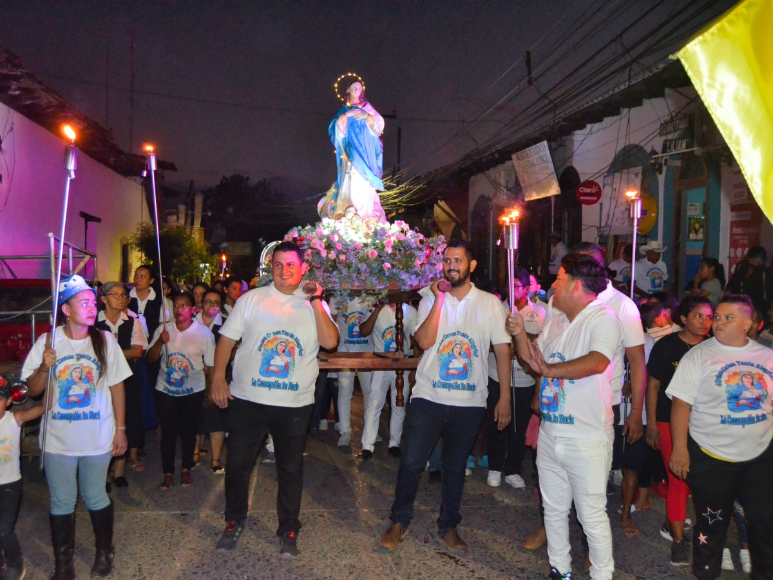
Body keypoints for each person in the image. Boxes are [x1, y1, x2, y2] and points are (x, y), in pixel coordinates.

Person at [379, 239, 512, 553]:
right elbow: (424, 341)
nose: (452, 265)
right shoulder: (430, 298)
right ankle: (399, 520)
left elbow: (503, 351)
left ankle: (448, 525)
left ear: (471, 265)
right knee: (411, 462)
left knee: (454, 468)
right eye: (447, 259)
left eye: (458, 260)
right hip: (428, 397)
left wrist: (504, 396)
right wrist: (440, 299)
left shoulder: (490, 303)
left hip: (469, 402)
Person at [211, 241, 339, 559]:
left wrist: (317, 299)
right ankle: (234, 520)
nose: (284, 271)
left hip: (294, 404)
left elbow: (330, 342)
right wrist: (217, 378)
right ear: (271, 268)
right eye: (278, 265)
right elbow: (227, 339)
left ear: (303, 268)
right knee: (238, 464)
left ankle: (289, 527)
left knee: (290, 468)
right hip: (248, 399)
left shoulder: (314, 304)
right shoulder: (252, 300)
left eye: (291, 265)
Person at [508, 254, 623, 580]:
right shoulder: (556, 319)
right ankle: (560, 570)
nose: (552, 285)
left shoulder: (603, 318)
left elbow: (597, 362)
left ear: (575, 284)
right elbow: (534, 361)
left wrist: (550, 370)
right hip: (550, 432)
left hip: (586, 437)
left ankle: (602, 575)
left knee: (591, 516)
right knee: (553, 510)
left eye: (558, 279)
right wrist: (519, 334)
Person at [22, 274, 132, 579]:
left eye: (92, 302)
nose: (90, 306)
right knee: (61, 499)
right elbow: (33, 391)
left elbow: (117, 387)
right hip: (58, 438)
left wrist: (120, 429)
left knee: (96, 495)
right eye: (83, 302)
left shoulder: (105, 340)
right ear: (66, 309)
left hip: (97, 435)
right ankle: (64, 563)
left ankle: (104, 551)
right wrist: (45, 366)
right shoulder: (47, 341)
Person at [668, 294, 773, 579]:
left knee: (764, 522)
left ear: (747, 323)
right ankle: (706, 573)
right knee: (710, 525)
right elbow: (681, 404)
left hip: (760, 458)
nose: (718, 323)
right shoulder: (699, 355)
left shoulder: (767, 356)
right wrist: (680, 448)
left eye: (729, 318)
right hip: (712, 456)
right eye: (717, 317)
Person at [645, 296, 713, 564]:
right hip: (667, 419)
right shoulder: (667, 346)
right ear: (683, 318)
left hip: (704, 422)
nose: (705, 322)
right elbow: (652, 386)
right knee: (678, 478)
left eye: (709, 317)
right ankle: (678, 541)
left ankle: (676, 524)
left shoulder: (713, 347)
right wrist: (650, 423)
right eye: (698, 316)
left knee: (701, 480)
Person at [147, 291, 215, 490]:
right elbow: (150, 359)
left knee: (188, 431)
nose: (179, 309)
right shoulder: (163, 329)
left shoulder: (203, 333)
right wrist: (160, 342)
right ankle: (168, 472)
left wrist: (211, 390)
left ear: (193, 309)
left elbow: (210, 365)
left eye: (184, 305)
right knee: (167, 432)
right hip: (165, 390)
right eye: (176, 305)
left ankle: (186, 468)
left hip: (192, 391)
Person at [486, 267, 545, 489]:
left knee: (519, 425)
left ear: (528, 289)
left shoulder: (539, 312)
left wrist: (522, 344)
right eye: (509, 286)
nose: (513, 290)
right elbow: (486, 339)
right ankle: (494, 467)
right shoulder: (496, 308)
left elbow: (541, 342)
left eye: (517, 286)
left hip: (525, 379)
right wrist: (499, 350)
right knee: (496, 422)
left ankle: (513, 468)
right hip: (497, 375)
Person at [96, 282, 148, 485]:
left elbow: (137, 351)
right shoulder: (94, 322)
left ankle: (118, 471)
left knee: (124, 420)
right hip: (100, 379)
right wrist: (119, 355)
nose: (120, 298)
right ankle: (103, 471)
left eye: (123, 294)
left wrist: (107, 354)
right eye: (114, 294)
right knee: (102, 422)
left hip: (127, 378)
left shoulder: (132, 322)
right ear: (104, 299)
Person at [318, 78, 386, 222]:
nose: (357, 89)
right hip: (350, 151)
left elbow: (379, 124)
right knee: (350, 179)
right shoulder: (343, 110)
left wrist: (367, 116)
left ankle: (364, 216)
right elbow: (334, 128)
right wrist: (346, 116)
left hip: (366, 152)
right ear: (348, 90)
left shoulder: (367, 107)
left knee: (363, 181)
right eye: (354, 87)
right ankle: (348, 214)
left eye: (359, 87)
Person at [358, 299, 418, 458]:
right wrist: (377, 309)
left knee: (399, 405)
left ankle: (394, 443)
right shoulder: (375, 307)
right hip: (380, 363)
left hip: (401, 364)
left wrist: (413, 367)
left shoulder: (409, 311)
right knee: (374, 403)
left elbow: (417, 339)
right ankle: (367, 445)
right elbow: (364, 331)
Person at [0, 374, 44, 580]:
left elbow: (40, 409)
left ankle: (15, 563)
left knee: (4, 529)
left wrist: (53, 395)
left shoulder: (13, 419)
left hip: (9, 485)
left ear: (9, 401)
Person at [330, 296, 374, 447]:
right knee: (344, 392)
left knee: (369, 393)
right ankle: (344, 432)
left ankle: (370, 430)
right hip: (345, 351)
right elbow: (331, 321)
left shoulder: (372, 297)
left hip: (367, 352)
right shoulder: (338, 295)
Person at [194, 289, 229, 474]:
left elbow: (232, 348)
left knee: (216, 416)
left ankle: (216, 460)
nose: (212, 306)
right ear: (202, 302)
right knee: (195, 415)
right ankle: (195, 453)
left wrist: (217, 368)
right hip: (194, 375)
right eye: (208, 301)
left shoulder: (226, 324)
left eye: (216, 302)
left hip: (217, 376)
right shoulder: (192, 322)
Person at [725, 245, 772, 313]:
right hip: (742, 303)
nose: (755, 265)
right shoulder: (741, 267)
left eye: (758, 263)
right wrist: (746, 277)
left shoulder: (767, 271)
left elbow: (768, 291)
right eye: (752, 262)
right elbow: (734, 284)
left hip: (761, 307)